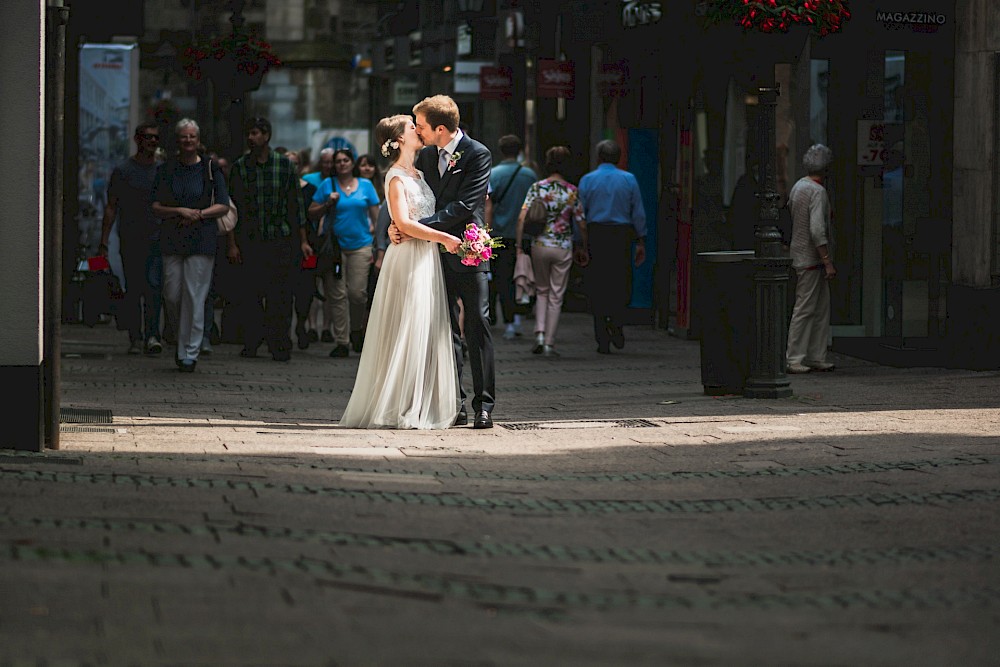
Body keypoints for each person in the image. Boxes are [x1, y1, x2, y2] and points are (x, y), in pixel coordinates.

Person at [339, 115, 462, 429]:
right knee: (408, 325)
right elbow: (404, 223)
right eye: (412, 127)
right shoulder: (395, 177)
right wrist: (445, 238)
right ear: (397, 141)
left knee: (426, 326)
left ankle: (417, 400)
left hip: (425, 258)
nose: (417, 130)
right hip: (408, 258)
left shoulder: (420, 172)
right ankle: (398, 404)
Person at [390, 95, 495, 429]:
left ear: (439, 128)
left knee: (477, 323)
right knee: (444, 330)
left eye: (421, 125)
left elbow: (465, 205)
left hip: (467, 249)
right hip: (432, 255)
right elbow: (411, 195)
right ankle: (455, 403)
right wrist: (399, 226)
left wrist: (415, 229)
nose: (418, 131)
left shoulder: (478, 154)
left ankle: (484, 405)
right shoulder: (426, 155)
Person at [226, 116, 310, 362]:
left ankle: (279, 343)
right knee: (250, 293)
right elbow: (232, 206)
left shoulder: (283, 166)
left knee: (280, 295)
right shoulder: (241, 166)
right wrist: (232, 242)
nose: (251, 138)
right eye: (249, 134)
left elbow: (296, 205)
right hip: (250, 238)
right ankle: (252, 341)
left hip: (279, 239)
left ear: (266, 136)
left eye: (255, 133)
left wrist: (302, 240)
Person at [150, 118, 230, 373]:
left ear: (198, 140)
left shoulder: (210, 167)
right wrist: (179, 211)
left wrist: (199, 214)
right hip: (172, 239)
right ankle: (178, 337)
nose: (188, 141)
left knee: (195, 296)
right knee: (172, 294)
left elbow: (224, 205)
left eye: (192, 137)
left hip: (201, 239)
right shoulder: (166, 169)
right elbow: (155, 206)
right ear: (178, 139)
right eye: (183, 136)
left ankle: (189, 352)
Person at [97, 121, 164, 356]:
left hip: (158, 238)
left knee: (154, 288)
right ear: (137, 140)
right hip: (131, 238)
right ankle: (136, 337)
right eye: (148, 137)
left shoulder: (161, 170)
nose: (152, 141)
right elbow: (111, 207)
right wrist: (103, 243)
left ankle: (152, 335)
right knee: (134, 289)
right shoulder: (123, 170)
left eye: (156, 137)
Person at [515, 145, 588, 358]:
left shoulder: (537, 188)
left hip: (540, 245)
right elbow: (581, 223)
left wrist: (520, 245)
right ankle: (549, 343)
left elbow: (522, 218)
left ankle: (538, 334)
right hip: (563, 246)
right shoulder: (572, 191)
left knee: (542, 291)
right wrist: (583, 245)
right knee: (557, 295)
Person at [577, 139, 646, 354]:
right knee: (621, 281)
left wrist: (580, 242)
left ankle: (601, 337)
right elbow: (638, 212)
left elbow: (580, 214)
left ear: (599, 157)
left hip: (596, 234)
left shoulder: (587, 180)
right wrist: (641, 239)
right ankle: (617, 323)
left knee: (597, 284)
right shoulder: (629, 179)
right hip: (621, 235)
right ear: (618, 158)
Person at [308, 149, 380, 357]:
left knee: (357, 294)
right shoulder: (327, 185)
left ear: (352, 163)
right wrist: (327, 203)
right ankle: (342, 341)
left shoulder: (365, 186)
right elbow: (311, 212)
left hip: (361, 245)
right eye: (337, 161)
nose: (341, 164)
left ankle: (356, 329)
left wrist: (379, 246)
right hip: (335, 249)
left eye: (345, 160)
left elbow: (376, 217)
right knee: (337, 294)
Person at [785, 143, 837, 374]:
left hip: (798, 253)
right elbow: (817, 229)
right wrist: (827, 260)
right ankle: (795, 357)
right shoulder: (818, 192)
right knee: (807, 308)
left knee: (817, 306)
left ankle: (815, 354)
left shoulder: (798, 187)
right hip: (810, 257)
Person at [488, 134, 538, 339]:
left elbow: (488, 205)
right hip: (525, 234)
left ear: (501, 151)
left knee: (503, 278)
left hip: (500, 233)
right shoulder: (530, 175)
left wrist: (487, 232)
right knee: (523, 275)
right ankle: (520, 315)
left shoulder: (493, 174)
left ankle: (509, 321)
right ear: (519, 151)